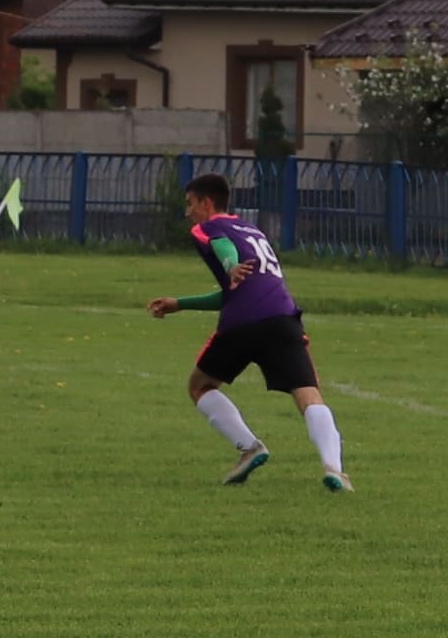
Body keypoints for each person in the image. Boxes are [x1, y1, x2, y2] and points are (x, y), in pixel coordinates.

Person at [144, 172, 353, 491]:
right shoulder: (253, 230)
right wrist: (181, 304)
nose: (188, 212)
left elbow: (224, 247)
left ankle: (250, 447)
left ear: (206, 203)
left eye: (190, 204)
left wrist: (229, 264)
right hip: (283, 319)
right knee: (308, 393)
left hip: (241, 323)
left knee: (199, 386)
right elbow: (237, 290)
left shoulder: (208, 227)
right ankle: (334, 469)